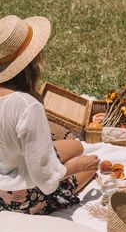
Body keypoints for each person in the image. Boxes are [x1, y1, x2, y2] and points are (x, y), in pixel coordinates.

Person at [0, 15, 100, 214]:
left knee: (77, 145)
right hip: (20, 198)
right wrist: (75, 166)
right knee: (90, 166)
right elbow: (46, 180)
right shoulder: (27, 106)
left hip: (8, 165)